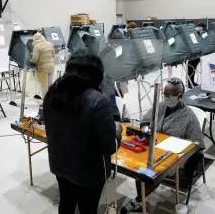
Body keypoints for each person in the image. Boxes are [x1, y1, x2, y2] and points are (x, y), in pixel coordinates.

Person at [43, 50, 121, 214]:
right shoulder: (97, 101)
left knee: (66, 203)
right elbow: (109, 146)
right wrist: (118, 131)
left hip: (60, 164)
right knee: (88, 208)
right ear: (96, 74)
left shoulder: (53, 91)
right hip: (88, 174)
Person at [121, 77, 205, 214]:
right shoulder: (160, 106)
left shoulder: (189, 117)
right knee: (139, 169)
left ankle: (137, 201)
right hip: (153, 149)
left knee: (153, 171)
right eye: (164, 94)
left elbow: (197, 146)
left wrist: (187, 173)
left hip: (172, 156)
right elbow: (145, 120)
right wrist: (145, 130)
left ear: (180, 96)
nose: (166, 97)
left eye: (169, 95)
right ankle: (140, 200)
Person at [32, 29, 55, 97]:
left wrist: (32, 60)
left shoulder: (37, 46)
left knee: (44, 85)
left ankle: (45, 102)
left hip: (42, 68)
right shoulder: (49, 44)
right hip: (51, 66)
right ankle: (51, 100)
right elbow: (53, 56)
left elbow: (35, 59)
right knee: (50, 84)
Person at [187, 23, 206, 88]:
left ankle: (192, 82)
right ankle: (189, 83)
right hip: (191, 55)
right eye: (202, 29)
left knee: (193, 69)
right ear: (200, 27)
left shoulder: (198, 33)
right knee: (190, 69)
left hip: (196, 55)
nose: (202, 30)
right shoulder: (192, 32)